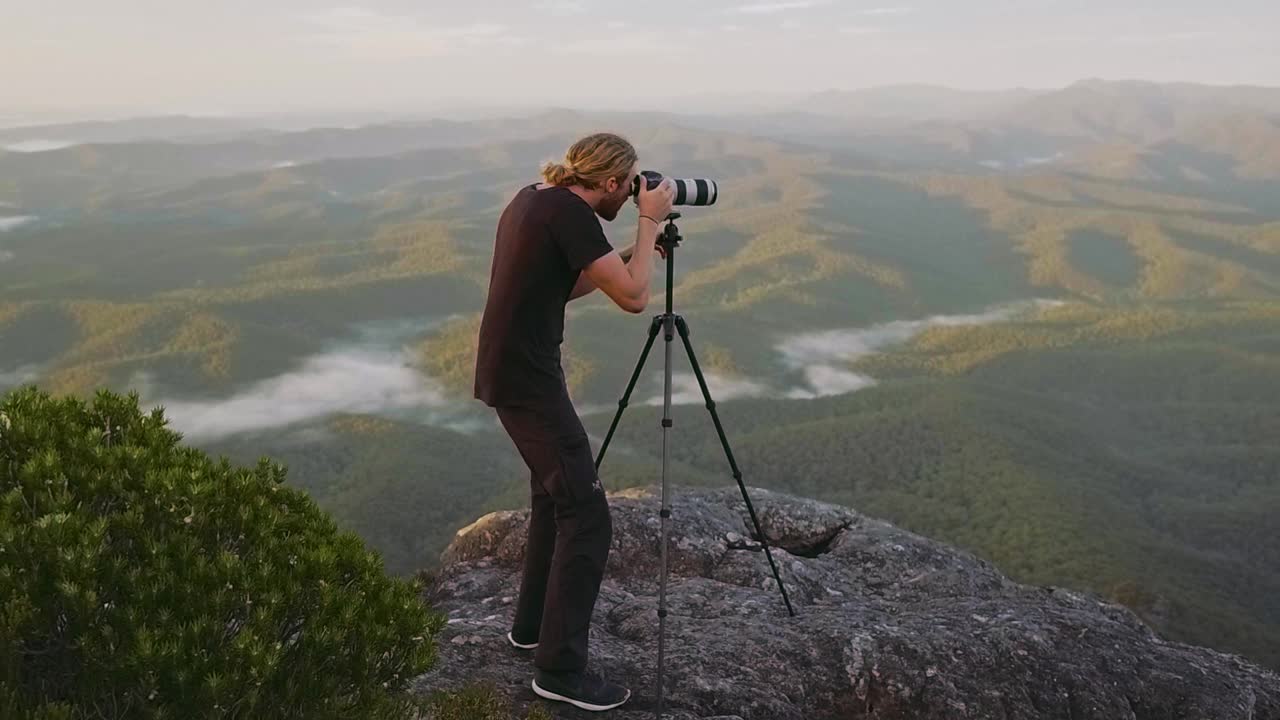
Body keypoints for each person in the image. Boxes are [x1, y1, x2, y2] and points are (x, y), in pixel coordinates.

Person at [473, 132, 675, 712]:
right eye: (629, 184)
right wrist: (647, 223)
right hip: (529, 381)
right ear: (610, 184)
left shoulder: (537, 197)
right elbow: (636, 301)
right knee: (587, 514)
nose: (634, 191)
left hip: (511, 372)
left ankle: (532, 629)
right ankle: (559, 671)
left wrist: (634, 256)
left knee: (551, 497)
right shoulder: (575, 212)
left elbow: (574, 278)